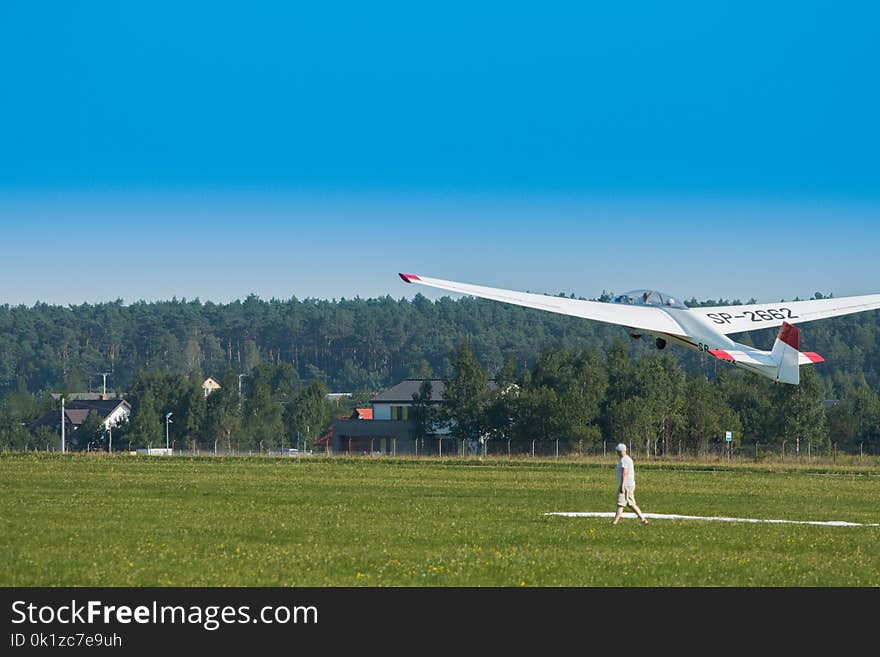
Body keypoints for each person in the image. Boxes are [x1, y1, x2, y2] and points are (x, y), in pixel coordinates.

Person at [612, 443, 648, 525]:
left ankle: (615, 522)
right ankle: (643, 519)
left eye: (618, 451)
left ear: (621, 451)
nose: (617, 452)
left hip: (626, 485)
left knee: (620, 503)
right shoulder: (627, 459)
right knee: (631, 504)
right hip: (629, 484)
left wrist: (622, 485)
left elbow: (624, 473)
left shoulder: (624, 460)